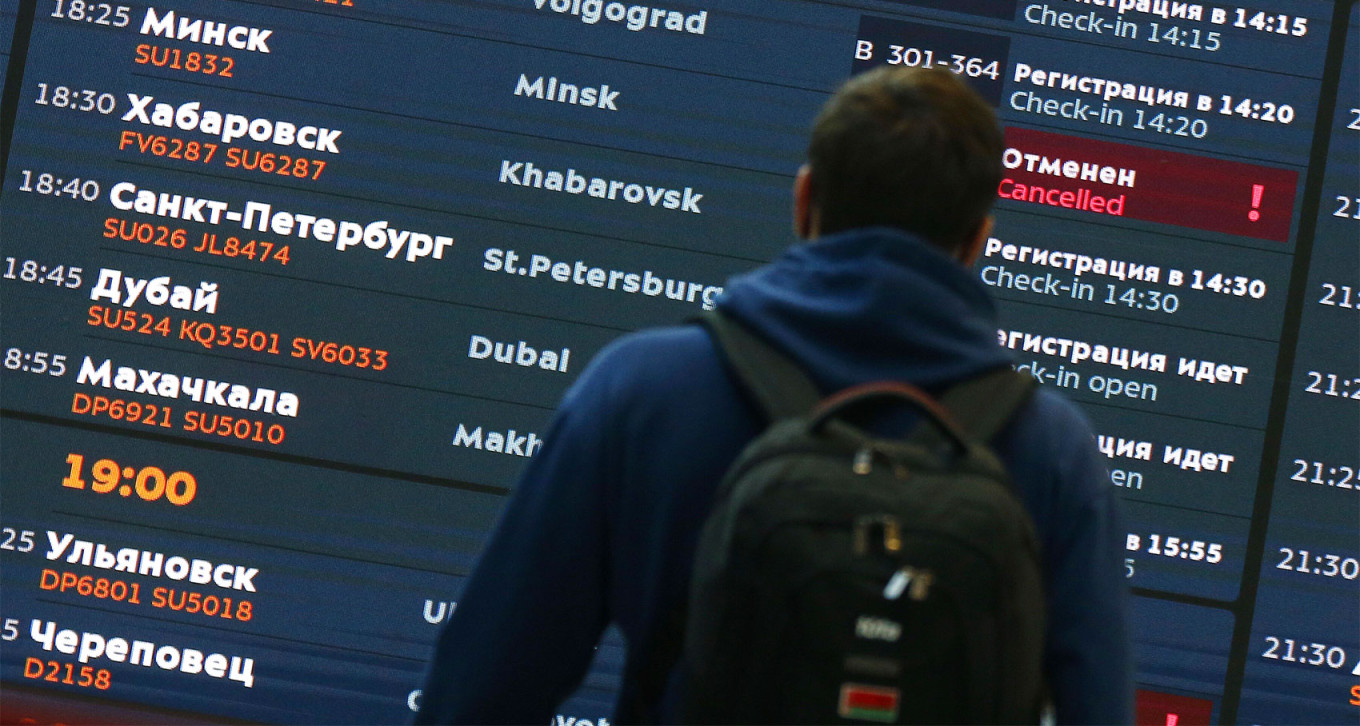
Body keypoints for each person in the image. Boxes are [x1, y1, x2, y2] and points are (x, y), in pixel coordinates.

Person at [414, 66, 1133, 725]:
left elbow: (480, 692)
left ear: (803, 198)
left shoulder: (641, 391)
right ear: (978, 240)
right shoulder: (1052, 451)